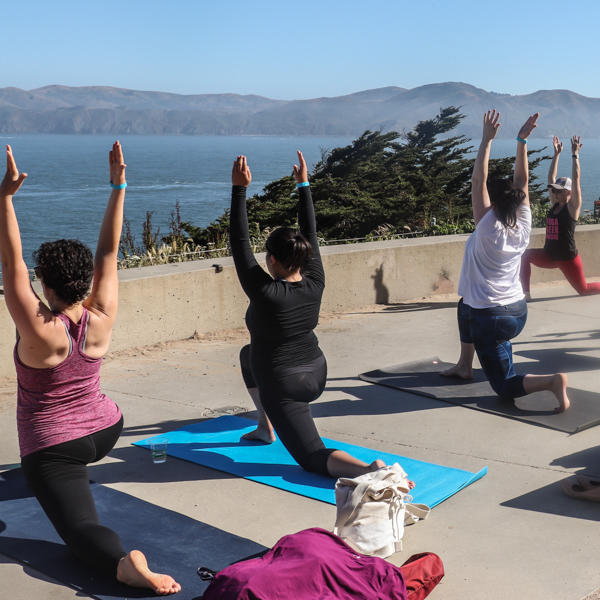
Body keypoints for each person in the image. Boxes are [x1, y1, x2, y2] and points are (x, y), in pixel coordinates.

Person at [0, 143, 180, 595]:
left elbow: (9, 265)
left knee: (79, 531)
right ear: (85, 281)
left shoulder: (41, 331)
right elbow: (108, 250)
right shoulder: (101, 314)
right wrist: (119, 185)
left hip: (55, 447)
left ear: (45, 282)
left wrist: (4, 198)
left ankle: (125, 564)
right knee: (67, 483)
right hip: (107, 428)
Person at [230, 152, 413, 482]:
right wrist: (304, 185)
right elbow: (310, 233)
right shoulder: (315, 279)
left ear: (271, 260)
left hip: (283, 384)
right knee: (247, 355)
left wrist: (239, 190)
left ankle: (369, 469)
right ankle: (264, 425)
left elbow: (239, 243)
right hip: (316, 371)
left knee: (311, 457)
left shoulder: (266, 293)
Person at [441, 111, 569, 413]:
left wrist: (486, 140)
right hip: (516, 310)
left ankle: (552, 382)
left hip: (491, 318)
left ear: (494, 202)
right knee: (464, 305)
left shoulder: (487, 225)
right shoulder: (523, 220)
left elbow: (478, 179)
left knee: (504, 387)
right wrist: (521, 141)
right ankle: (464, 365)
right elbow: (522, 181)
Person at [520, 135, 600, 298]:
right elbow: (550, 178)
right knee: (524, 256)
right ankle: (525, 294)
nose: (554, 193)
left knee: (583, 289)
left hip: (567, 258)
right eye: (554, 190)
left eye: (558, 190)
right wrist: (556, 155)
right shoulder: (555, 204)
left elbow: (576, 179)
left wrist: (575, 155)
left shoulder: (573, 208)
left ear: (569, 192)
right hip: (549, 255)